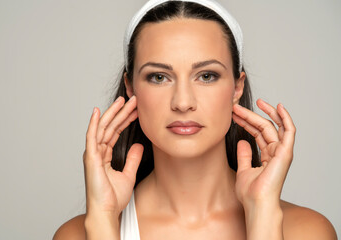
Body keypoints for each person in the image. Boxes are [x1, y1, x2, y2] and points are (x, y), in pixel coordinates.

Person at [53, 0, 337, 239]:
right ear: (131, 89)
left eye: (207, 76)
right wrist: (102, 220)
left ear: (237, 88)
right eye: (159, 77)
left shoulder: (307, 231)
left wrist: (263, 214)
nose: (183, 102)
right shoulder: (79, 234)